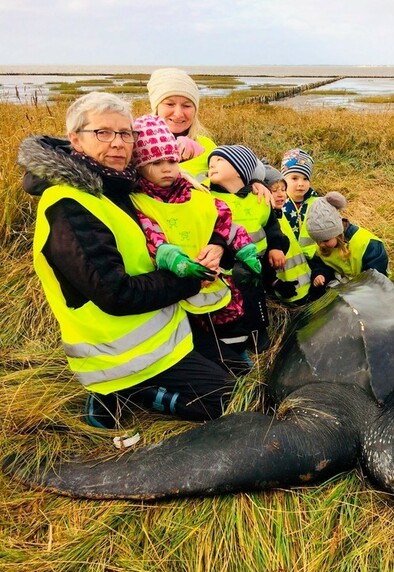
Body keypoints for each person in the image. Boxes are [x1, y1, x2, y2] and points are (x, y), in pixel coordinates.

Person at [18, 92, 236, 429]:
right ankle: (132, 394)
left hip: (166, 333)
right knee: (226, 399)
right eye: (103, 133)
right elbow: (116, 295)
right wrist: (193, 279)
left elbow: (190, 209)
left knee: (240, 369)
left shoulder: (118, 185)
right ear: (75, 139)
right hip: (120, 357)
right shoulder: (68, 205)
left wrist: (220, 236)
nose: (118, 143)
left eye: (125, 134)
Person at [129, 114, 263, 371]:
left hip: (216, 280)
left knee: (230, 318)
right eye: (156, 162)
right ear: (139, 166)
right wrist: (172, 258)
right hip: (177, 289)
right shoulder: (139, 201)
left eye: (172, 160)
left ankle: (235, 355)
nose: (167, 168)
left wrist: (246, 250)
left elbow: (225, 220)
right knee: (192, 333)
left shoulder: (197, 193)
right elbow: (151, 234)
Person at [208, 144, 294, 351]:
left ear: (240, 169)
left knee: (255, 301)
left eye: (219, 161)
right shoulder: (208, 199)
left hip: (257, 264)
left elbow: (272, 226)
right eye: (210, 163)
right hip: (225, 268)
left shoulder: (259, 199)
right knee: (229, 306)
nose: (212, 165)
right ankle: (233, 340)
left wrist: (275, 247)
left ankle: (258, 334)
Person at [307, 192, 389, 288]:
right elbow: (320, 265)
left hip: (373, 289)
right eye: (317, 241)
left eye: (325, 240)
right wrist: (320, 274)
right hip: (346, 290)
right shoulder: (323, 244)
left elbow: (377, 278)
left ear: (337, 233)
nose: (320, 245)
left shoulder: (369, 244)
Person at [147, 67, 215, 181]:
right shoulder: (137, 145)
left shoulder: (208, 146)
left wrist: (252, 183)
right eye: (170, 104)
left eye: (187, 106)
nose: (178, 114)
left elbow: (233, 176)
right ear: (156, 108)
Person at [260, 164, 312, 304]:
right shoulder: (264, 222)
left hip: (304, 285)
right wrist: (274, 282)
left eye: (283, 189)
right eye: (274, 190)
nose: (281, 194)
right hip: (285, 293)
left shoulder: (280, 213)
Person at [280, 148, 319, 259]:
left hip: (314, 259)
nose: (301, 183)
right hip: (287, 260)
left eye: (305, 179)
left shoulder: (317, 202)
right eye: (294, 178)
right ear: (283, 179)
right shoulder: (277, 203)